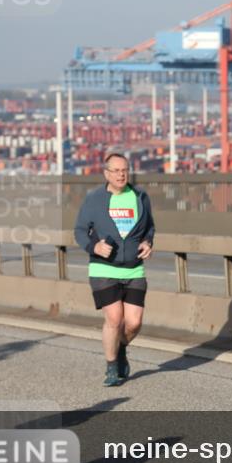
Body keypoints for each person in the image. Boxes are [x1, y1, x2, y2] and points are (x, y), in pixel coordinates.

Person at [74, 154, 155, 387]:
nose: (121, 174)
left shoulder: (140, 196)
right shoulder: (94, 199)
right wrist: (94, 246)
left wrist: (148, 243)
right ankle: (111, 367)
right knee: (114, 318)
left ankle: (120, 350)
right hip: (103, 268)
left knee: (134, 323)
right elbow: (79, 230)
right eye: (116, 170)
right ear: (106, 173)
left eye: (125, 170)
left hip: (133, 269)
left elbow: (150, 227)